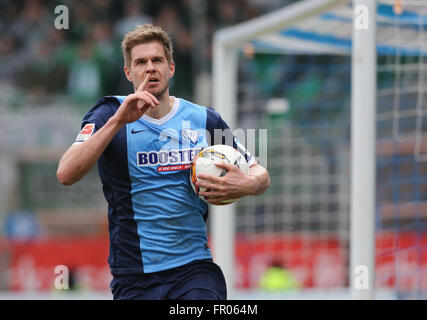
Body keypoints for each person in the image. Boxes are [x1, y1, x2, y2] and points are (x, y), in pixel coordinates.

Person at [57, 24, 270, 300]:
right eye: (140, 62)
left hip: (193, 270)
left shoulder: (204, 120)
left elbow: (260, 173)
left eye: (157, 60)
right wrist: (119, 121)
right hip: (133, 275)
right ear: (128, 72)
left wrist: (247, 184)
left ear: (170, 68)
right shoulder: (108, 113)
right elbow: (66, 173)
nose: (150, 68)